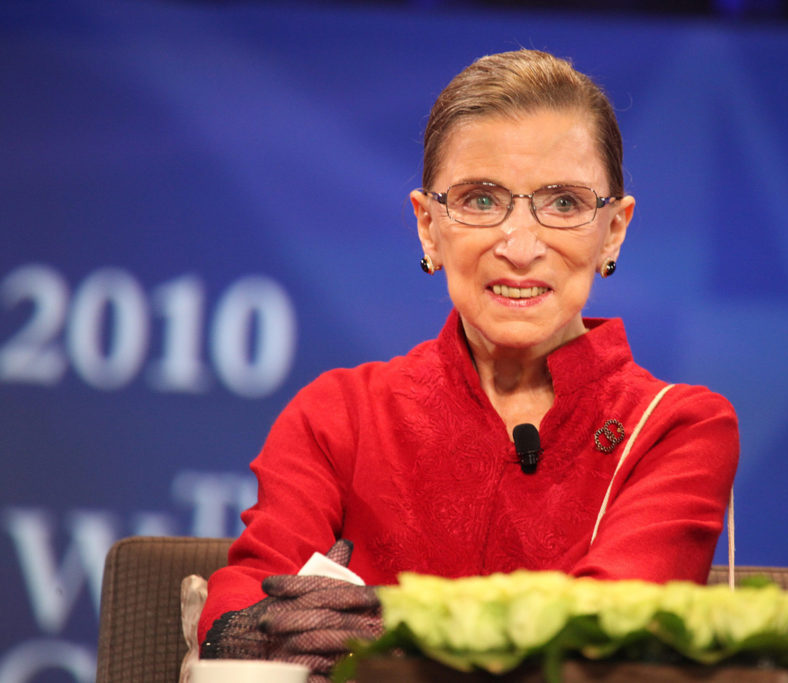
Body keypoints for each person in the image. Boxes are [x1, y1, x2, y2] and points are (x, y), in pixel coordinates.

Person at [198, 49, 739, 680]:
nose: (520, 246)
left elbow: (604, 643)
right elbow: (249, 602)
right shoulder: (340, 413)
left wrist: (388, 631)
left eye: (563, 203)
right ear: (428, 226)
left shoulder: (678, 428)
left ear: (612, 231)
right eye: (481, 200)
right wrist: (248, 634)